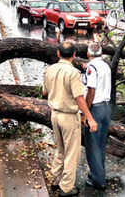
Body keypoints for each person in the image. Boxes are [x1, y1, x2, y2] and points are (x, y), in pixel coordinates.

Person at [43, 42, 98, 197]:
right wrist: (89, 118)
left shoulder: (49, 70)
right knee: (72, 153)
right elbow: (79, 98)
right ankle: (66, 188)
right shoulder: (73, 73)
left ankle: (55, 179)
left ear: (58, 54)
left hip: (54, 115)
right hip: (68, 116)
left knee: (60, 149)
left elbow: (44, 92)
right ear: (74, 55)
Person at [82, 42, 112, 190]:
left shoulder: (91, 68)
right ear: (100, 53)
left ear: (88, 54)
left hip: (95, 108)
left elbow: (91, 91)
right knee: (101, 144)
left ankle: (98, 181)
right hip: (106, 108)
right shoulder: (105, 65)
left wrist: (85, 113)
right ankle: (99, 173)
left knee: (92, 146)